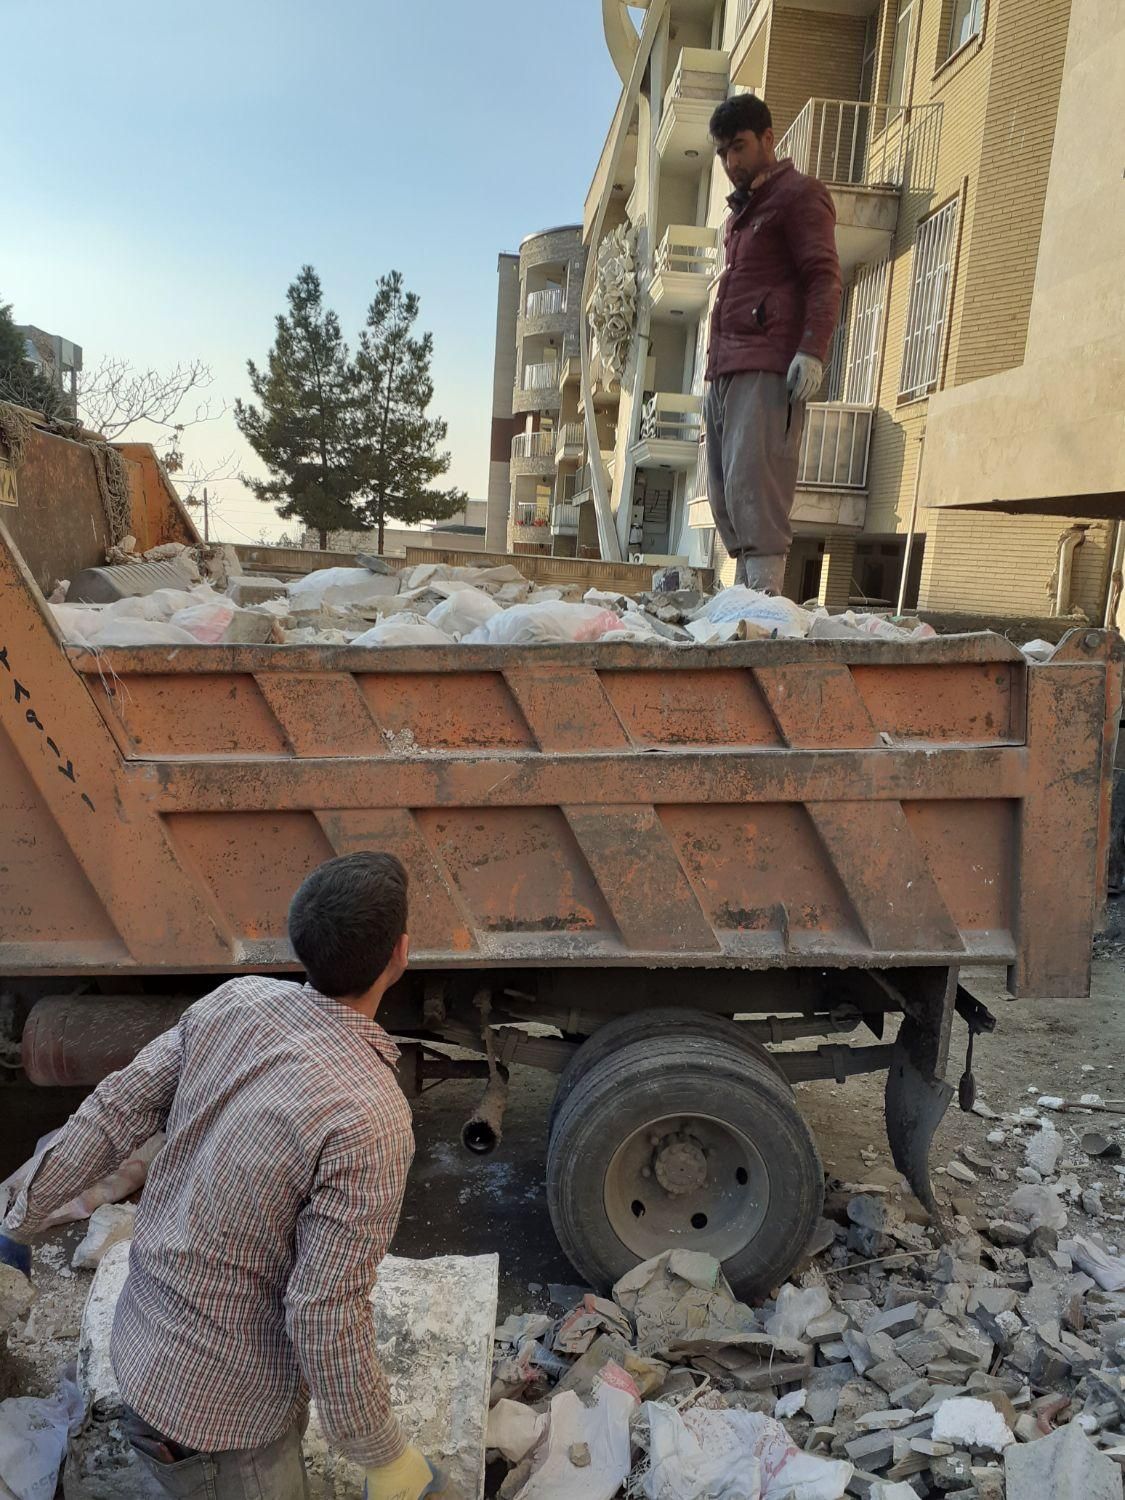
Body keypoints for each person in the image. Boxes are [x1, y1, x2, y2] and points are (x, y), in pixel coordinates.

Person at [0, 852, 444, 1500]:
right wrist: (384, 1460)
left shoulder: (234, 1001)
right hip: (224, 1430)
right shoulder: (369, 1115)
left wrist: (21, 1215)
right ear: (399, 955)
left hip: (144, 1353)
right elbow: (323, 1312)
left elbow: (111, 1111)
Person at [704, 93, 843, 595]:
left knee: (756, 493)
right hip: (724, 368)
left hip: (765, 366)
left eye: (738, 147)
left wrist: (812, 349)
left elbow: (823, 276)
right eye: (722, 153)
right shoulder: (740, 216)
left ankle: (761, 612)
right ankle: (741, 604)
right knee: (725, 494)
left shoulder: (799, 196)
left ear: (768, 138)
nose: (731, 162)